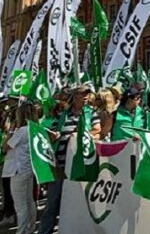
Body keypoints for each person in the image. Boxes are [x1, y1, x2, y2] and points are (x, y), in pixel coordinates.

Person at [38, 85, 100, 234]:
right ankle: (45, 231)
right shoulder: (62, 115)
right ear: (74, 96)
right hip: (60, 164)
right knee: (52, 202)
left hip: (81, 166)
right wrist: (54, 135)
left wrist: (81, 135)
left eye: (87, 94)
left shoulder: (91, 113)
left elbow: (97, 130)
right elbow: (54, 133)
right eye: (82, 94)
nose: (85, 96)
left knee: (81, 202)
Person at [4, 103, 39, 234]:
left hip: (18, 169)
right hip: (28, 167)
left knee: (20, 204)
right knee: (29, 200)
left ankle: (22, 230)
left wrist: (11, 131)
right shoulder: (35, 128)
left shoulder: (22, 130)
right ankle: (30, 228)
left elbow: (5, 147)